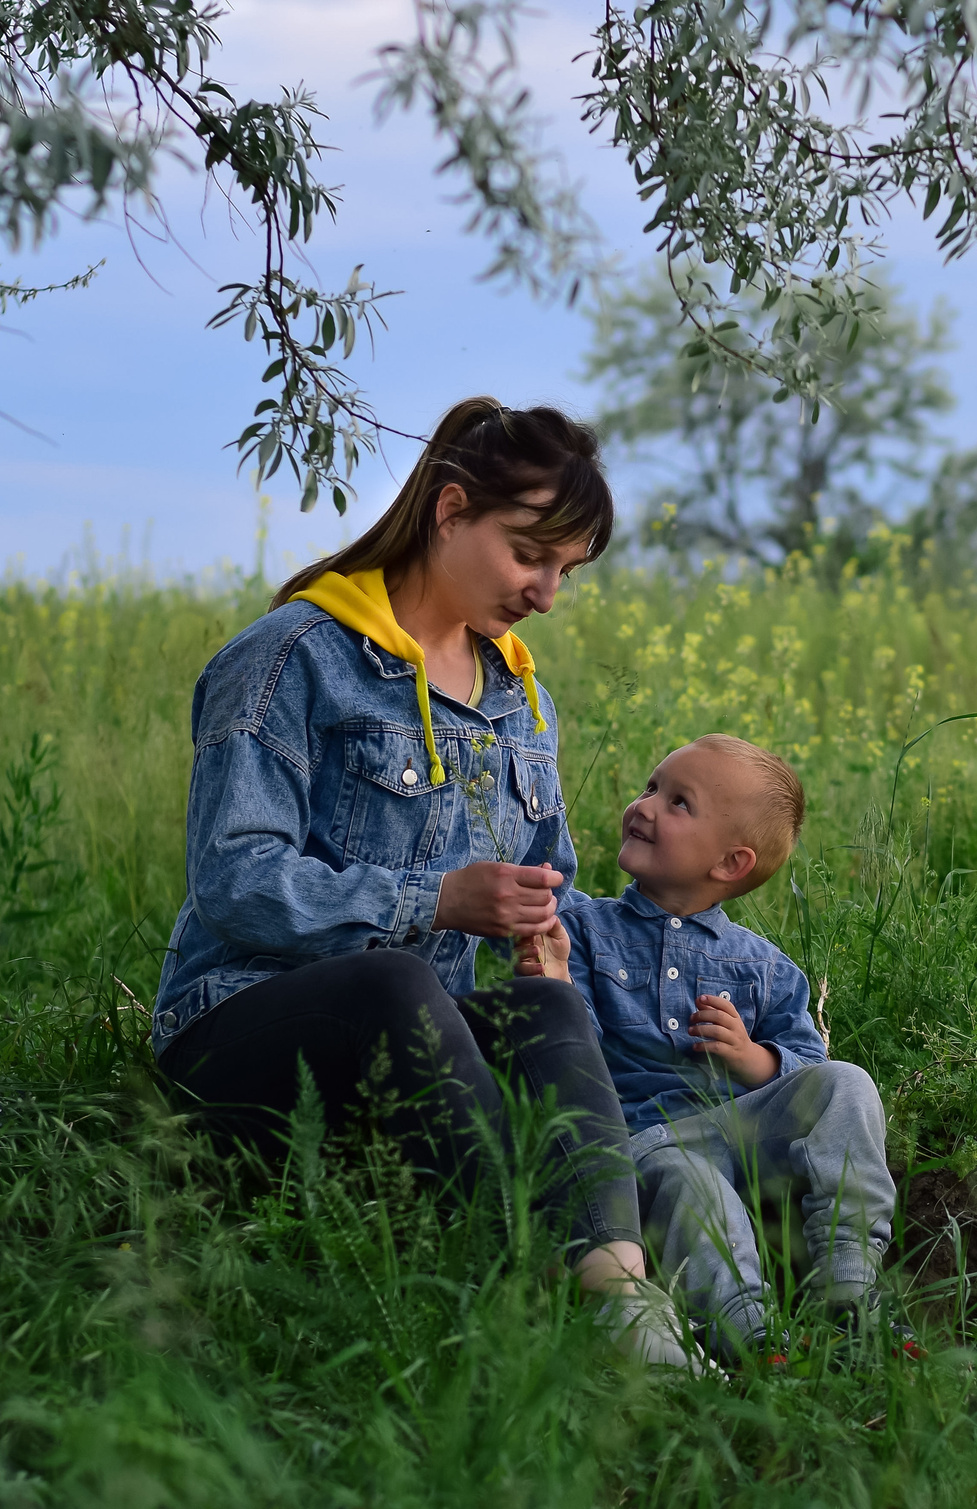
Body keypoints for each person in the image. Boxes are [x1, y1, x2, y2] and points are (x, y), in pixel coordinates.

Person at [150, 397, 698, 1369]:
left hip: (411, 1061)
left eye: (567, 571)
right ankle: (523, 1294)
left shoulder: (520, 699)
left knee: (547, 1013)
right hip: (235, 1035)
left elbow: (548, 882)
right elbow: (235, 878)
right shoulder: (289, 660)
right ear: (450, 511)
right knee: (392, 979)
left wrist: (542, 934)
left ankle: (623, 1308)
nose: (546, 594)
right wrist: (436, 901)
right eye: (530, 555)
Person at [519, 735, 900, 1364]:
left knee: (849, 1083)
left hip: (740, 1134)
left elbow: (808, 1067)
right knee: (689, 1177)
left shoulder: (764, 968)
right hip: (640, 1144)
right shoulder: (581, 928)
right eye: (651, 787)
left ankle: (849, 1287)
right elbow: (569, 1053)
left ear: (729, 863)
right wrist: (553, 978)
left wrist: (755, 1060)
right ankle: (748, 1334)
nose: (644, 806)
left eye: (678, 802)